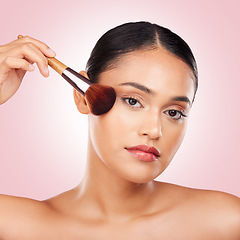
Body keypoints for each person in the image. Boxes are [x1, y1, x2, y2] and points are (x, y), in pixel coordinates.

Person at [0, 21, 239, 239]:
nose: (154, 130)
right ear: (83, 98)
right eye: (133, 101)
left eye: (173, 112)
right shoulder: (17, 225)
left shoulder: (224, 222)